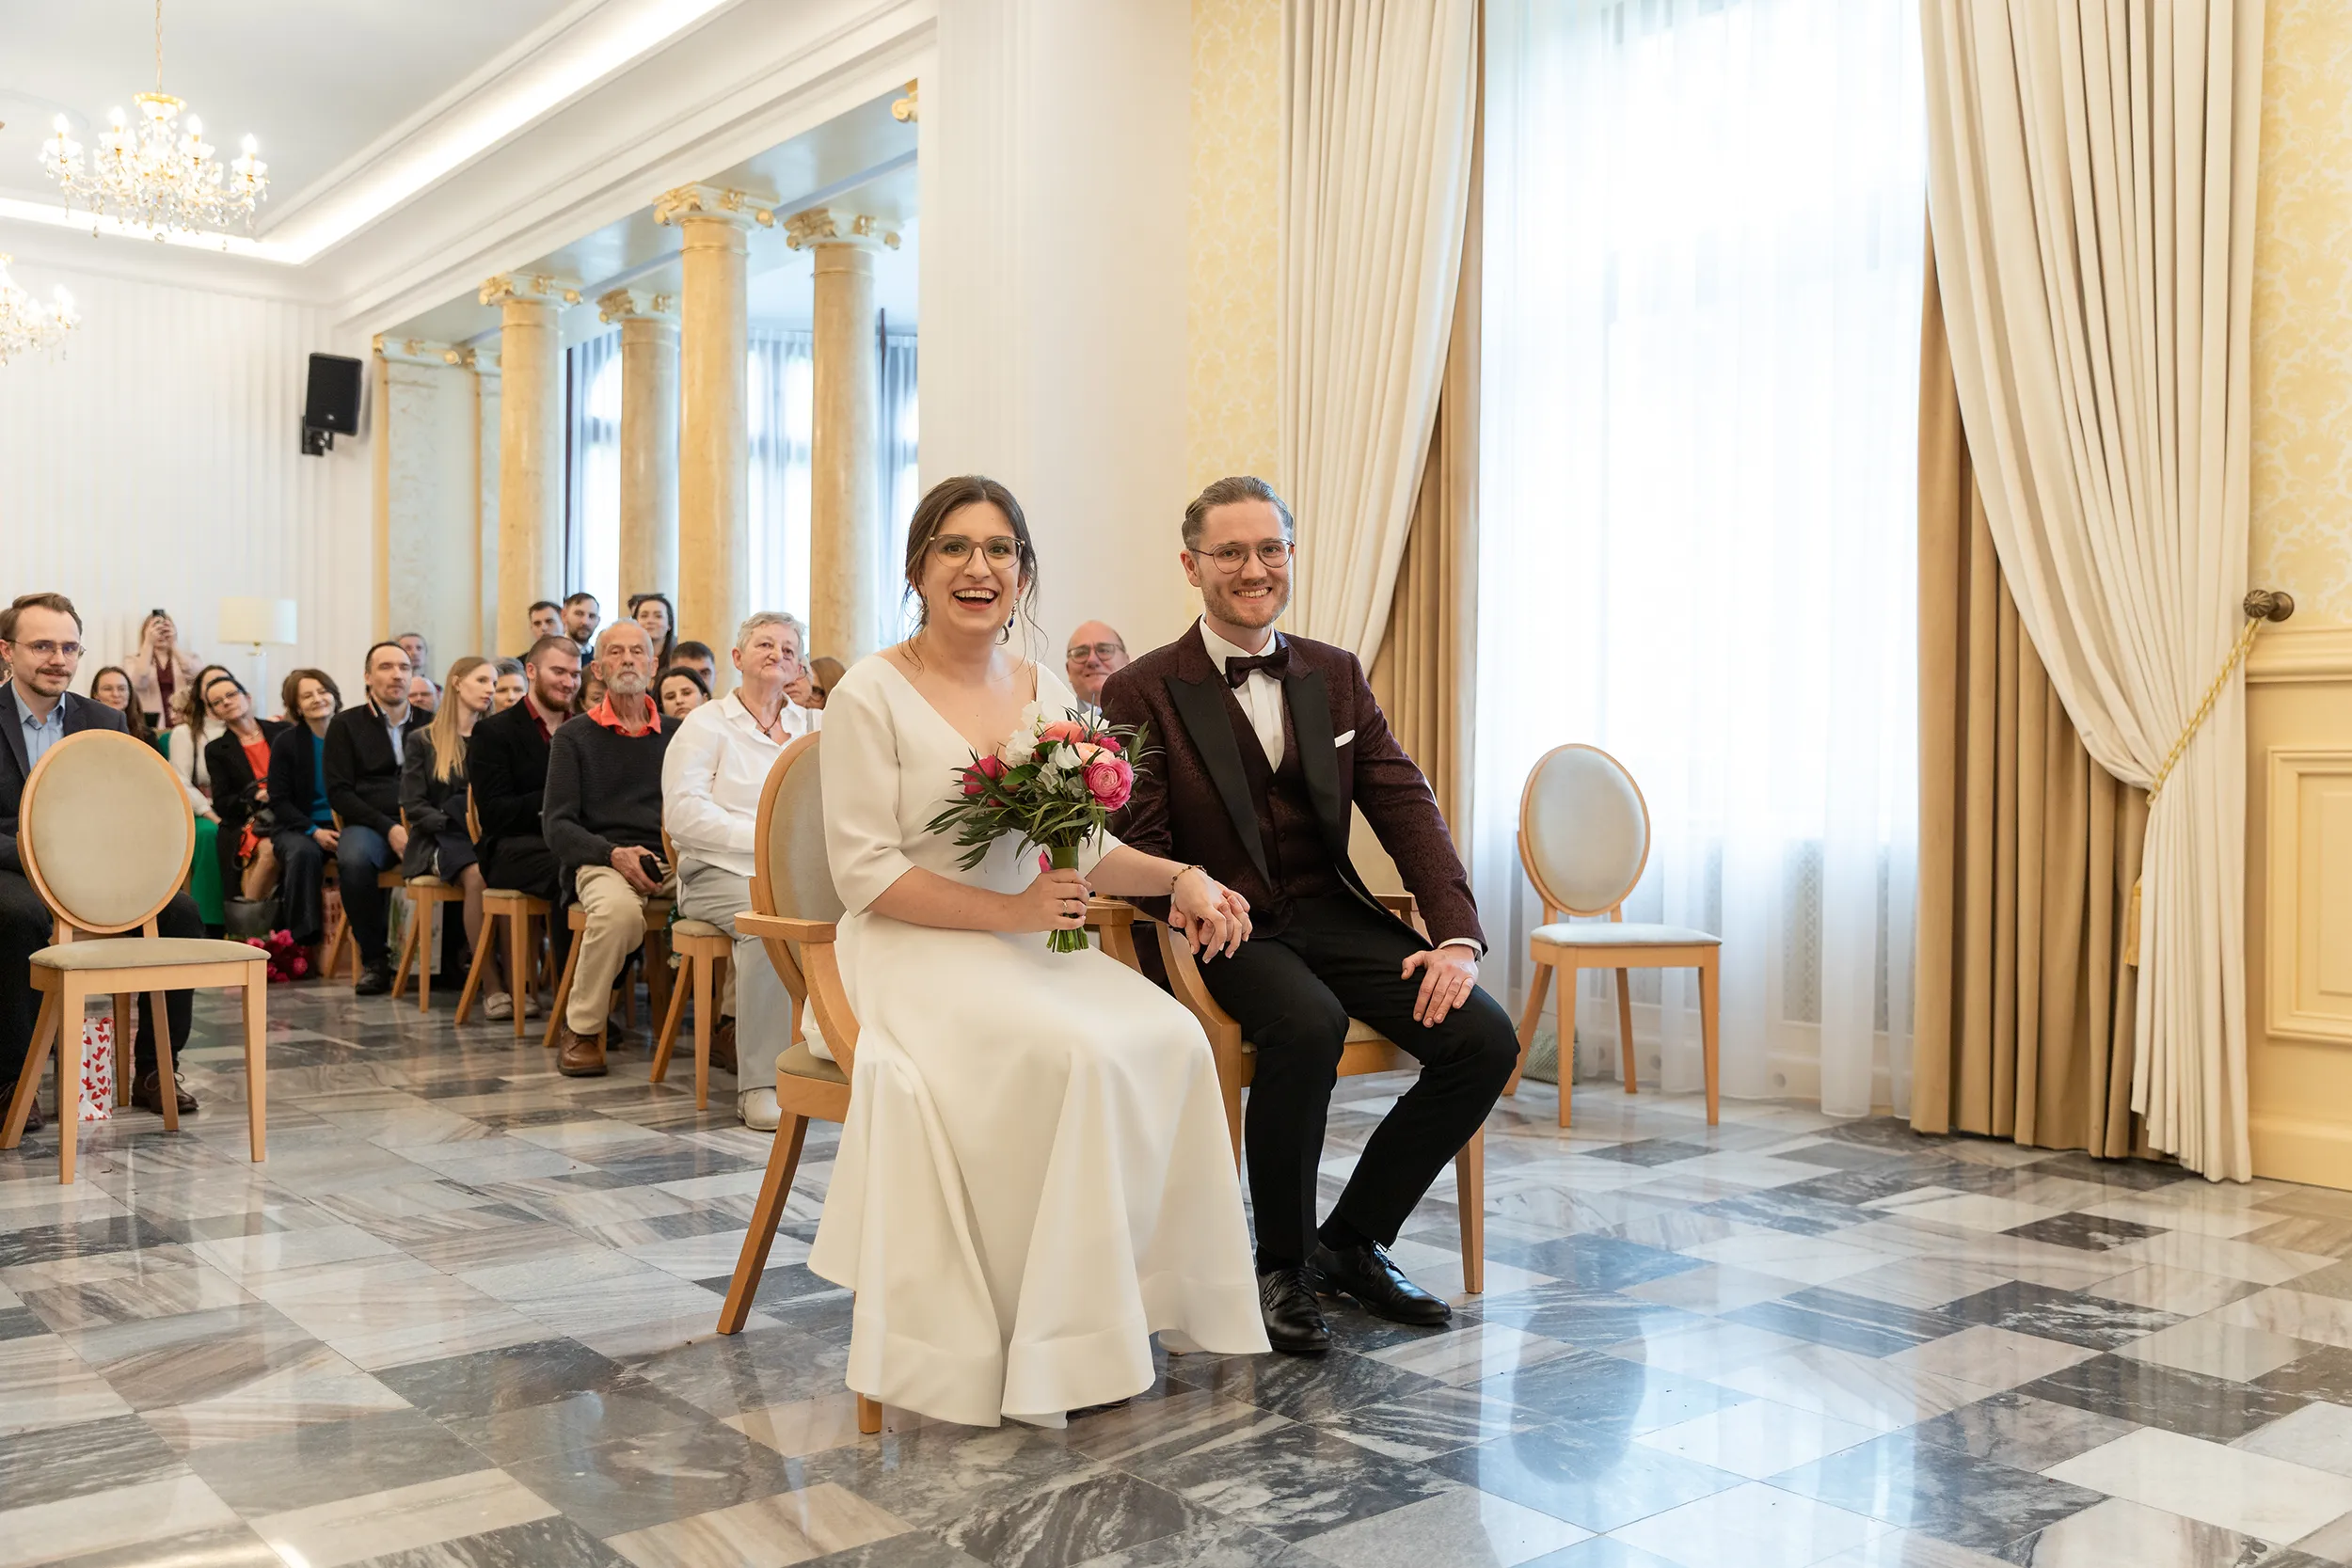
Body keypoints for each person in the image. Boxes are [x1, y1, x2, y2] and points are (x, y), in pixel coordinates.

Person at [810, 474, 1265, 1428]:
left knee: (1173, 1035)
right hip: (909, 947)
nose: (979, 567)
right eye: (954, 547)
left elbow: (1088, 844)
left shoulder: (1043, 688)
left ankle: (1136, 1304)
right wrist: (1010, 912)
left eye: (1001, 550)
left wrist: (1179, 878)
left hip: (1026, 939)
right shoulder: (868, 692)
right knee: (1078, 1054)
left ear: (1023, 574)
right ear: (917, 568)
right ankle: (1050, 1335)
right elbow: (863, 875)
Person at [1103, 475, 1518, 1356]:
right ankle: (1279, 1263)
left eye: (1270, 549)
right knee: (1307, 1022)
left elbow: (1407, 805)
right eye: (1230, 552)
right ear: (1192, 565)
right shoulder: (1142, 688)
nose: (1253, 569)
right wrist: (1185, 887)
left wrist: (1455, 935)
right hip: (1221, 922)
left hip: (1330, 909)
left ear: (1290, 556)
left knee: (1485, 1038)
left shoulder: (1333, 673)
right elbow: (1133, 839)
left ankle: (1352, 1240)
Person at [1, 594, 205, 1128]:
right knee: (15, 918)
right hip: (12, 869)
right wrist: (37, 854)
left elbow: (130, 808)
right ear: (7, 651)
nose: (59, 659)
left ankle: (156, 1071)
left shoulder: (106, 719)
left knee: (181, 913)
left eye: (70, 647)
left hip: (99, 874)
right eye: (42, 645)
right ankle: (12, 1080)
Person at [661, 612, 819, 1128]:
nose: (778, 654)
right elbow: (683, 813)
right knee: (764, 922)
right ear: (737, 658)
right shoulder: (706, 723)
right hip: (714, 872)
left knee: (866, 911)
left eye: (790, 649)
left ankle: (832, 1060)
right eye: (765, 644)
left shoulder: (812, 724)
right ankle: (761, 1083)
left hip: (795, 872)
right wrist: (762, 839)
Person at [542, 622, 674, 1076]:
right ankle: (582, 1029)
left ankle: (727, 1025)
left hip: (675, 860)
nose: (628, 659)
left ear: (654, 665)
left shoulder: (679, 734)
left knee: (748, 906)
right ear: (597, 669)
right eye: (615, 652)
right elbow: (557, 826)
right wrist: (612, 854)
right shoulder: (573, 737)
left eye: (638, 651)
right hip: (604, 860)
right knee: (618, 914)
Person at [402, 657, 515, 1016]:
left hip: (488, 834)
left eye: (494, 684)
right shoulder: (424, 740)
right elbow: (412, 804)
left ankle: (519, 981)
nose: (490, 690)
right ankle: (491, 984)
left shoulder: (495, 738)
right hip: (441, 836)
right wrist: (455, 820)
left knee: (513, 872)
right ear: (456, 682)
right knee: (479, 876)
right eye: (482, 681)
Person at [469, 635, 583, 974]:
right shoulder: (494, 732)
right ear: (531, 671)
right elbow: (494, 813)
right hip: (514, 848)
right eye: (559, 671)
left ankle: (608, 987)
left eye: (575, 674)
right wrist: (559, 803)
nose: (568, 682)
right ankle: (573, 1000)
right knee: (574, 874)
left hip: (577, 842)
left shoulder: (585, 728)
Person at [324, 641, 426, 994]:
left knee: (465, 856)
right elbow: (339, 793)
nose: (396, 674)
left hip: (424, 822)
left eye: (404, 667)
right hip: (369, 823)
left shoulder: (430, 723)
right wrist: (391, 828)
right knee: (353, 860)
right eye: (385, 667)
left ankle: (451, 959)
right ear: (368, 677)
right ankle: (374, 959)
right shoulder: (345, 724)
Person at [268, 669, 342, 973]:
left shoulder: (351, 733)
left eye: (323, 691)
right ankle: (301, 943)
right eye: (307, 696)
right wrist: (313, 831)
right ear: (296, 707)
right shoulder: (287, 742)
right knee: (303, 853)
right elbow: (279, 800)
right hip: (299, 825)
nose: (318, 699)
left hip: (346, 823)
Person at [198, 673, 289, 903]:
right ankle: (248, 926)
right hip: (253, 819)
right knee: (269, 849)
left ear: (247, 697)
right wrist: (255, 795)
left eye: (231, 695)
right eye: (217, 702)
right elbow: (222, 802)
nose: (226, 702)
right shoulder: (217, 749)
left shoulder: (283, 731)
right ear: (213, 713)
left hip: (291, 810)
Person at [167, 665, 236, 933]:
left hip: (240, 808)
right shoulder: (186, 733)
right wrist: (208, 812)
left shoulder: (245, 730)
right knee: (210, 834)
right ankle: (210, 924)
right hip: (200, 810)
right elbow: (180, 781)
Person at [124, 610, 201, 731]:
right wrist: (148, 643)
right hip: (150, 724)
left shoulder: (189, 658)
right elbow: (138, 682)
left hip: (185, 723)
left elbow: (197, 678)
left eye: (165, 629)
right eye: (155, 629)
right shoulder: (133, 660)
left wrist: (174, 644)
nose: (160, 634)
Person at [1064, 621, 1129, 714]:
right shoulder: (1048, 721)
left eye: (1104, 650)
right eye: (1081, 653)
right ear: (1068, 670)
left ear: (1126, 662)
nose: (1092, 660)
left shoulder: (1151, 718)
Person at [88, 667, 157, 746]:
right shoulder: (84, 731)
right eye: (107, 689)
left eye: (122, 689)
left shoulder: (147, 736)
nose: (115, 694)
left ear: (130, 693)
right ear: (95, 694)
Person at [628, 592, 678, 672]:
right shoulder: (625, 658)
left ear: (669, 624)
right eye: (644, 616)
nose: (650, 621)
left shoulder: (679, 660)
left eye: (658, 616)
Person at [562, 593, 601, 657]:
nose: (585, 622)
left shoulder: (600, 659)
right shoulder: (550, 655)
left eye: (592, 616)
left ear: (598, 621)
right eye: (579, 614)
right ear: (564, 615)